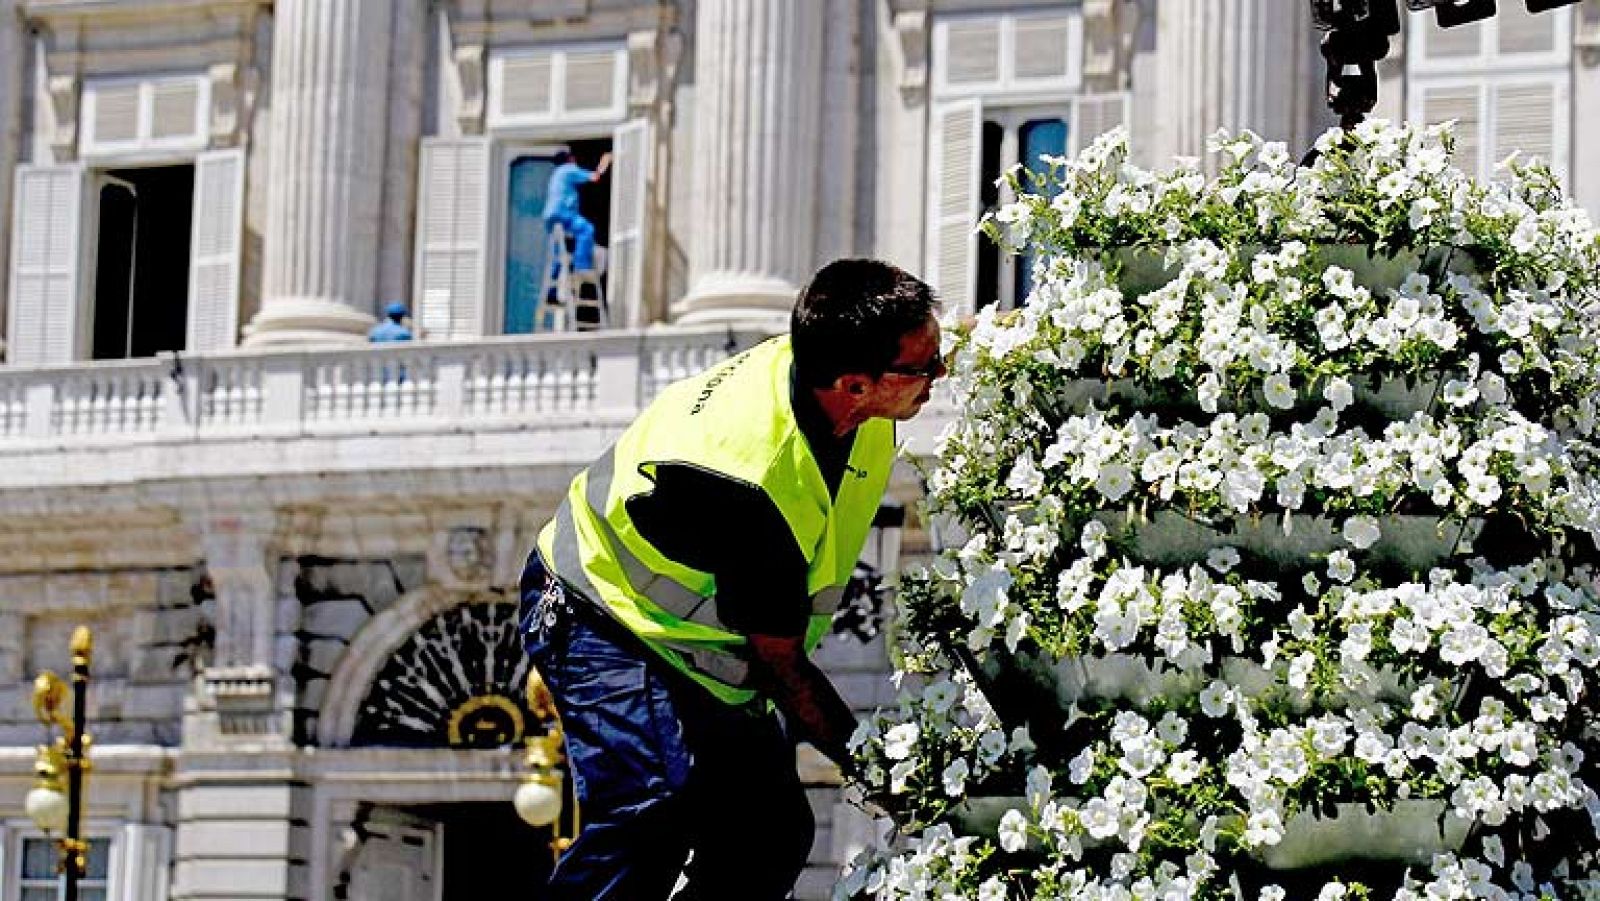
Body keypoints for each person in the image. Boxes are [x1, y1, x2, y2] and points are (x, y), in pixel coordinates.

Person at [519, 259, 946, 900]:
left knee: (768, 830)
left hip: (689, 644)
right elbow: (782, 668)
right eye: (923, 367)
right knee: (651, 806)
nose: (939, 376)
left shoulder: (834, 376)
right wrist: (881, 773)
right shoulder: (745, 482)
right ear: (855, 386)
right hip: (597, 611)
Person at [543, 147, 612, 277]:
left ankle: (553, 281)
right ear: (569, 159)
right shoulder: (569, 169)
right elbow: (595, 177)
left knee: (558, 247)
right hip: (563, 212)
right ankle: (581, 266)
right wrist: (604, 162)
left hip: (550, 215)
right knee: (586, 230)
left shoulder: (556, 174)